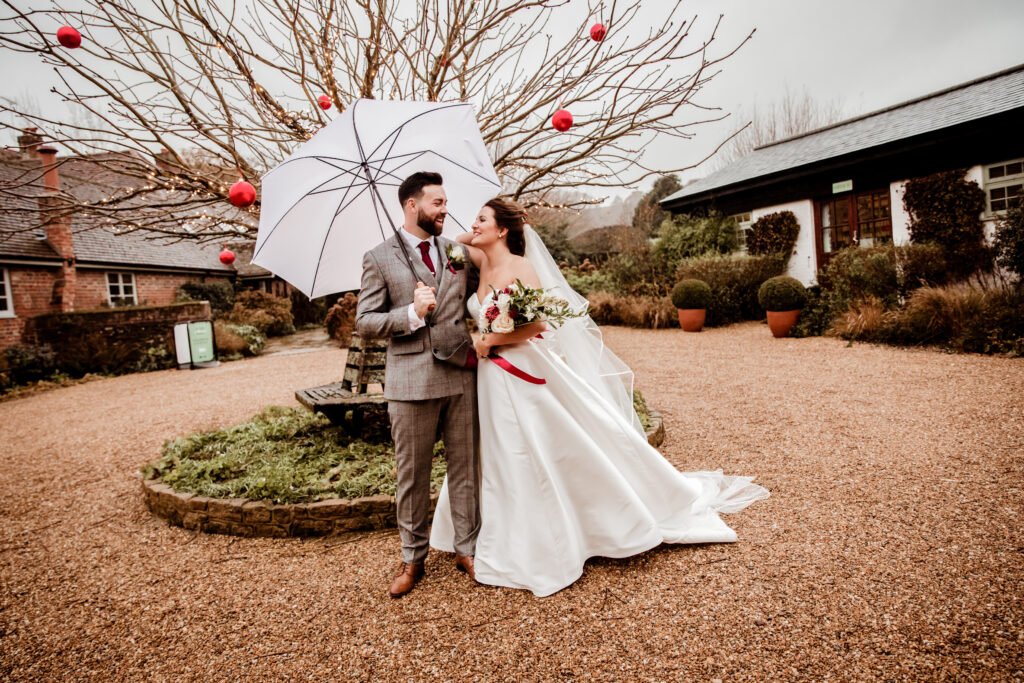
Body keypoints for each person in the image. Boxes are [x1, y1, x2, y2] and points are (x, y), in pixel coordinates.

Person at [429, 198, 770, 597]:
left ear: (502, 230)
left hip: (520, 366)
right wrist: (483, 227)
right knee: (498, 448)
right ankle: (507, 529)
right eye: (476, 219)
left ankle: (565, 530)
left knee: (535, 443)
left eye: (482, 219)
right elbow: (456, 240)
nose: (474, 225)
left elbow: (537, 325)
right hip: (491, 376)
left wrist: (490, 340)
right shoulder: (481, 260)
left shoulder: (522, 268)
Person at [355, 171, 481, 599]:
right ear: (413, 205)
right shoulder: (378, 257)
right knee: (413, 476)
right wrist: (411, 313)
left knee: (465, 469)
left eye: (445, 202)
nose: (445, 209)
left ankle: (467, 549)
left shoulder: (456, 252)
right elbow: (365, 321)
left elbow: (480, 293)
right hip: (410, 383)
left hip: (461, 374)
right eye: (437, 203)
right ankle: (413, 558)